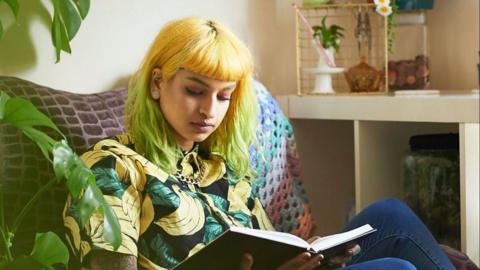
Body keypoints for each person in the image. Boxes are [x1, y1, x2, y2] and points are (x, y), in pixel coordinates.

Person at [63, 17, 456, 270]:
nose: (209, 110)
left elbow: (273, 248)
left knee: (391, 215)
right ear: (157, 83)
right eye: (195, 90)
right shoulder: (111, 166)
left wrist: (311, 257)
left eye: (223, 96)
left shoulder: (221, 168)